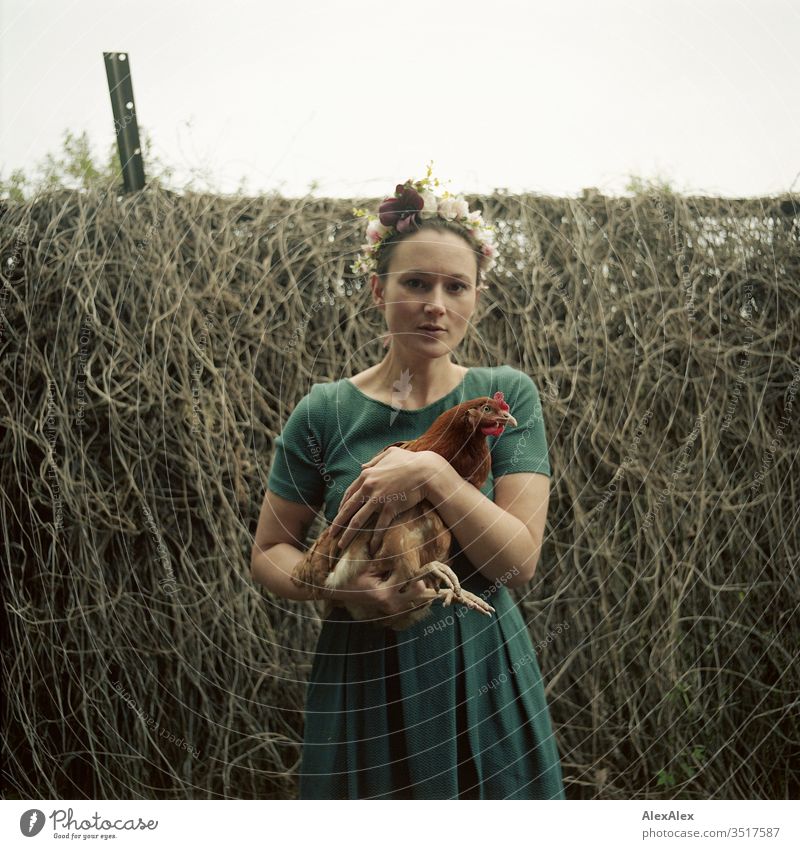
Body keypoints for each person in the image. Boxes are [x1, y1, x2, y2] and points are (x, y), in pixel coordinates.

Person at [250, 165, 566, 799]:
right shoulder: (326, 413)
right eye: (416, 283)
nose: (436, 304)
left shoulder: (506, 398)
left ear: (476, 296)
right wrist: (344, 591)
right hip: (364, 677)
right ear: (377, 290)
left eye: (457, 286)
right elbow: (268, 554)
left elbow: (519, 563)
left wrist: (429, 471)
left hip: (481, 671)